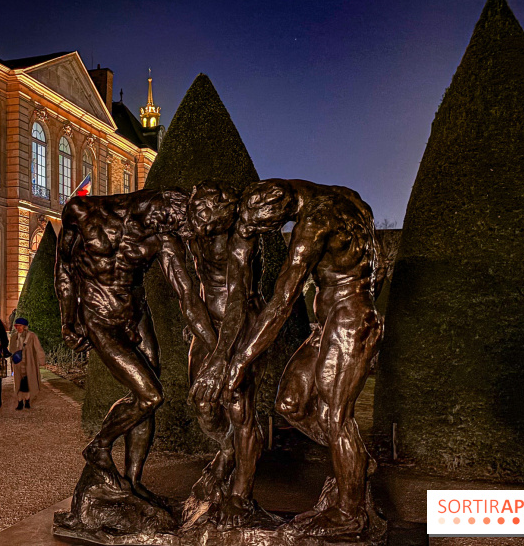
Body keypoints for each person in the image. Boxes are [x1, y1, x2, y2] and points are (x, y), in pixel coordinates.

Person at [193, 179, 383, 536]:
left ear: (279, 207)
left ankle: (349, 513)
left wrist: (238, 362)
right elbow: (380, 266)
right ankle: (355, 462)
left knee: (337, 417)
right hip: (335, 320)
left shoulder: (314, 221)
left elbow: (281, 302)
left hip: (348, 318)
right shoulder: (352, 200)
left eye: (268, 226)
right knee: (290, 403)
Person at [55, 189, 217, 505]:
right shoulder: (83, 212)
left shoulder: (162, 237)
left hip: (135, 314)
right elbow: (64, 268)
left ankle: (132, 481)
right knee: (149, 394)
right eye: (166, 224)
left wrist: (215, 347)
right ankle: (99, 447)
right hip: (99, 317)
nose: (165, 232)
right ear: (155, 207)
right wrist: (67, 319)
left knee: (146, 397)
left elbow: (186, 293)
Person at [182, 183, 272, 528]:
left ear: (226, 210)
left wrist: (222, 358)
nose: (199, 217)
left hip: (244, 324)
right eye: (196, 210)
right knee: (202, 403)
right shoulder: (195, 230)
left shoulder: (241, 238)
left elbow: (237, 298)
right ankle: (228, 450)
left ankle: (240, 495)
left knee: (240, 410)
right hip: (209, 324)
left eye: (206, 211)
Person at [9, 317, 44, 410]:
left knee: (29, 382)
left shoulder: (31, 336)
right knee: (18, 383)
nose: (18, 328)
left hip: (29, 363)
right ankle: (20, 402)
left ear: (25, 326)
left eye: (20, 326)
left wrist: (42, 360)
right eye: (17, 326)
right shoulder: (14, 337)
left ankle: (27, 400)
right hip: (18, 364)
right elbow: (11, 350)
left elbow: (38, 348)